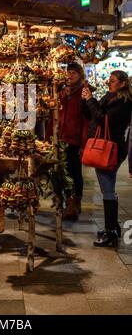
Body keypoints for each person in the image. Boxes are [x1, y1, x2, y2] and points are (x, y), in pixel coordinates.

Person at [82, 70, 132, 247]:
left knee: (108, 190)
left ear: (122, 84)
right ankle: (114, 228)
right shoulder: (109, 97)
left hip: (110, 149)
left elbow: (104, 120)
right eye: (109, 80)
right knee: (108, 189)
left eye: (112, 81)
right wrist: (86, 99)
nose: (108, 83)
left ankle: (111, 233)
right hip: (105, 145)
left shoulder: (124, 103)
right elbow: (92, 116)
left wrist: (90, 99)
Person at [59, 62, 90, 220]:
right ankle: (70, 203)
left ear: (80, 75)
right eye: (68, 72)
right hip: (62, 137)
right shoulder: (63, 92)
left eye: (73, 72)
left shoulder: (83, 93)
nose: (70, 75)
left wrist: (84, 144)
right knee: (64, 172)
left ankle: (74, 203)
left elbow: (86, 121)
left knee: (75, 172)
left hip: (75, 139)